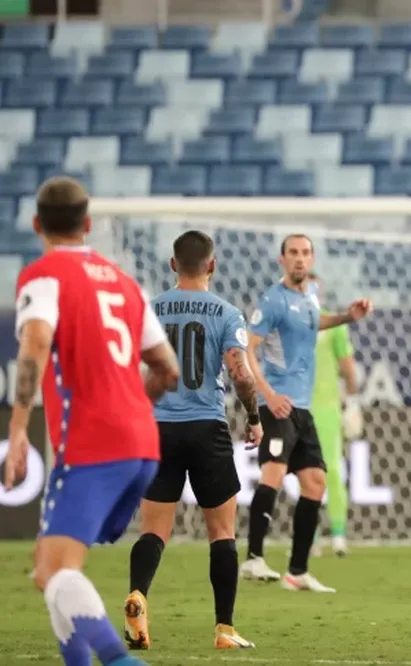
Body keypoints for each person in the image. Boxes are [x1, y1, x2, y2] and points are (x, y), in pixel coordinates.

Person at [4, 176, 179, 666]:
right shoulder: (126, 283)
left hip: (90, 444)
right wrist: (131, 407)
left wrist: (18, 431)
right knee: (49, 570)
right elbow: (168, 368)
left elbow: (36, 343)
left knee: (59, 573)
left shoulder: (43, 276)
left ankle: (121, 661)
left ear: (36, 224)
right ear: (87, 224)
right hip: (143, 445)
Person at [123, 231, 263, 651]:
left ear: (172, 265)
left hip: (158, 429)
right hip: (206, 427)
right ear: (213, 266)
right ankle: (224, 630)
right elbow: (240, 373)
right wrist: (254, 418)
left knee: (153, 530)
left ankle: (138, 596)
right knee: (221, 532)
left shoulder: (149, 311)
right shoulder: (226, 312)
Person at [240, 234, 372, 591]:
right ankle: (253, 558)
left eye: (305, 253)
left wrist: (347, 316)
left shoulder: (309, 296)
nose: (300, 259)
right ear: (282, 260)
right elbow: (248, 350)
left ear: (312, 259)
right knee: (274, 475)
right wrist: (267, 394)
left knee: (315, 483)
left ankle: (297, 572)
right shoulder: (272, 300)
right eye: (293, 253)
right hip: (278, 406)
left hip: (303, 408)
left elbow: (317, 321)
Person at [308, 271, 363, 557]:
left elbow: (348, 367)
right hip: (300, 407)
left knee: (331, 470)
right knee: (306, 474)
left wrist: (351, 403)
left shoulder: (334, 326)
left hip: (327, 409)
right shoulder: (291, 322)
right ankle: (312, 535)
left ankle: (338, 534)